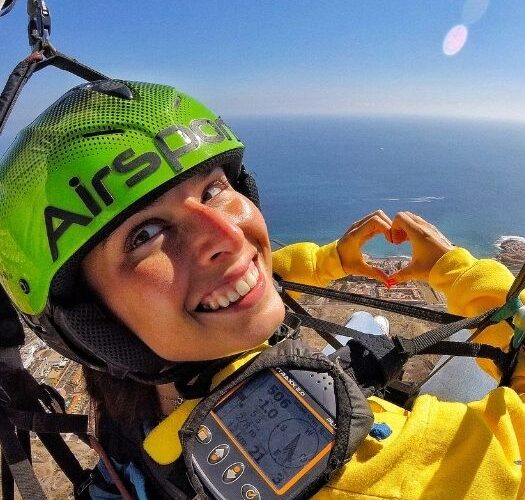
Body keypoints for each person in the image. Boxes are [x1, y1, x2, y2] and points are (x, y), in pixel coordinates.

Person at [0, 80, 523, 499]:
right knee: (445, 362)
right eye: (146, 234)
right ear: (93, 320)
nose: (230, 236)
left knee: (369, 327)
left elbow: (253, 277)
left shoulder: (130, 391)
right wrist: (465, 275)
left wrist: (330, 261)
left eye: (213, 190)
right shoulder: (352, 473)